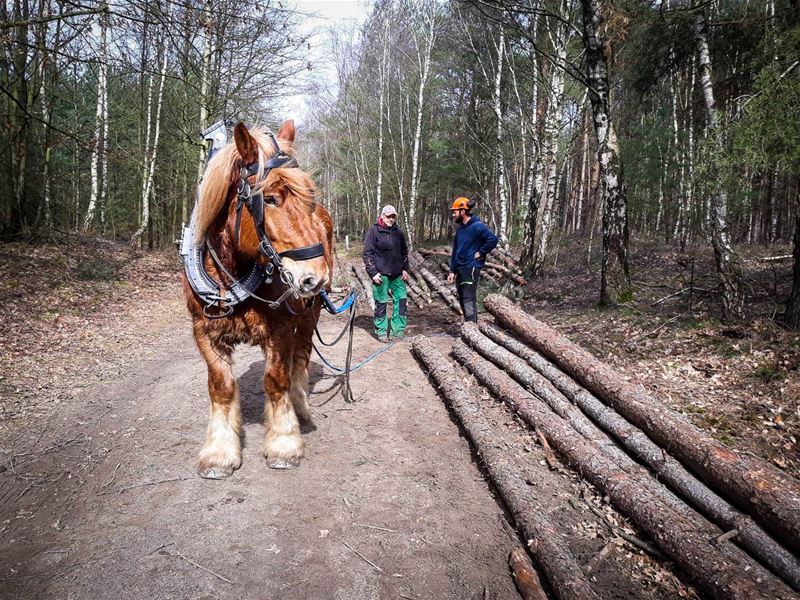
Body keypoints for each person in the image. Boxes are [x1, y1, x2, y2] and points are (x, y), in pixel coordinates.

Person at [447, 197, 498, 323]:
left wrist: (481, 252)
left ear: (463, 211)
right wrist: (452, 271)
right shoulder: (460, 231)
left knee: (468, 297)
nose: (453, 215)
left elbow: (493, 239)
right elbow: (455, 251)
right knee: (462, 298)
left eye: (455, 212)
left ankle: (471, 326)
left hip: (471, 266)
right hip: (460, 268)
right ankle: (469, 325)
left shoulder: (477, 226)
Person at [363, 205, 410, 341]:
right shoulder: (373, 231)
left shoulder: (398, 233)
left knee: (401, 302)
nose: (391, 219)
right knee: (381, 303)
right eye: (388, 216)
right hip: (380, 275)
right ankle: (381, 331)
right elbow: (367, 254)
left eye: (393, 216)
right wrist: (373, 273)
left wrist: (405, 269)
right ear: (382, 216)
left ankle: (398, 332)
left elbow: (404, 252)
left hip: (397, 275)